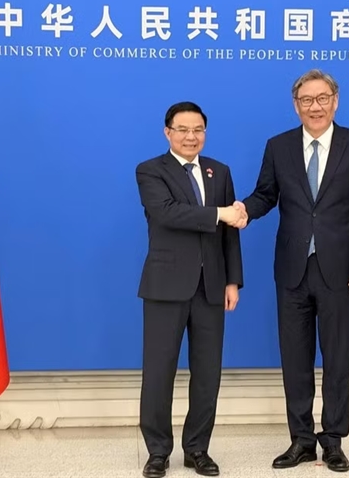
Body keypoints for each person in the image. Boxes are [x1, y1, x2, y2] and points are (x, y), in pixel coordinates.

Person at [234, 69, 349, 473]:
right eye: (306, 100)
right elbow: (266, 194)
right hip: (292, 270)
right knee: (295, 360)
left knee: (337, 359)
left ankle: (333, 440)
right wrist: (244, 210)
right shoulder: (279, 146)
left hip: (343, 271)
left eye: (322, 98)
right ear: (295, 105)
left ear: (335, 101)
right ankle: (301, 440)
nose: (315, 107)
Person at [135, 101, 244, 478]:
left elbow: (230, 234)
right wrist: (219, 213)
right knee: (158, 372)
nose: (190, 136)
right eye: (182, 129)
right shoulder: (151, 170)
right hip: (165, 286)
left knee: (208, 373)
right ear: (167, 132)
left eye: (198, 129)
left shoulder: (219, 171)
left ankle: (197, 448)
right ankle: (157, 451)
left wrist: (232, 279)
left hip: (211, 286)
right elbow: (167, 212)